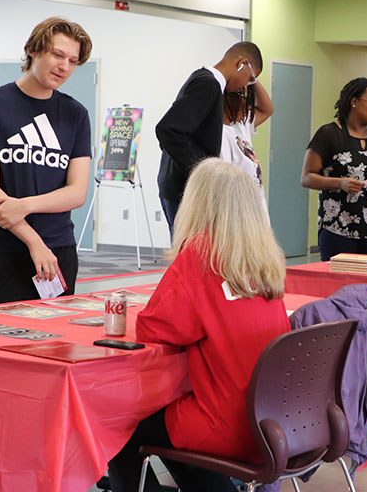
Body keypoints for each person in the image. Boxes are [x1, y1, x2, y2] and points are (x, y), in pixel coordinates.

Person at [107, 158, 290, 492]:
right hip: (275, 421)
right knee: (171, 422)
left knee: (121, 425)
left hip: (227, 425)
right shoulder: (266, 259)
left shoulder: (202, 254)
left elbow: (154, 328)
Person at [0, 17, 93, 306]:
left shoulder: (76, 114)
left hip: (59, 249)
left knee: (56, 342)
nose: (64, 67)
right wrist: (34, 242)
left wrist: (26, 205)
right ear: (33, 50)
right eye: (57, 55)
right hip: (4, 248)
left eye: (72, 61)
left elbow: (77, 192)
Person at [156, 41, 262, 236]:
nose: (245, 87)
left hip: (180, 186)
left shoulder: (206, 81)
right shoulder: (208, 84)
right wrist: (206, 170)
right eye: (250, 79)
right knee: (192, 258)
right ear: (242, 63)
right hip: (186, 189)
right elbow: (167, 129)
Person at [300, 77, 367, 261]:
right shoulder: (328, 134)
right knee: (339, 286)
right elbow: (306, 177)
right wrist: (340, 182)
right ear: (354, 101)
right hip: (338, 229)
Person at [219, 78, 273, 215]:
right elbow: (225, 188)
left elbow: (267, 109)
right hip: (240, 216)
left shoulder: (241, 125)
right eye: (244, 99)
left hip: (257, 213)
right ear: (229, 99)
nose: (249, 107)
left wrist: (250, 76)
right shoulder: (221, 135)